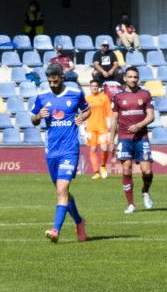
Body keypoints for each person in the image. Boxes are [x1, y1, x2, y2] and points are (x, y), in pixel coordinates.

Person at [31, 63, 90, 243]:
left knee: (62, 189)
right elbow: (33, 119)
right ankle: (79, 221)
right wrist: (38, 116)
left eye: (55, 81)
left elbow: (87, 109)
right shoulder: (42, 96)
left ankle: (56, 230)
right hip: (52, 151)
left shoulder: (75, 94)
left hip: (70, 150)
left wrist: (83, 116)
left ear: (62, 78)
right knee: (62, 191)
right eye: (50, 82)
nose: (53, 85)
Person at [109, 66, 155, 213]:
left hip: (141, 138)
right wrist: (111, 142)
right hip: (124, 138)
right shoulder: (118, 97)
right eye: (130, 77)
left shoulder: (145, 94)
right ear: (125, 78)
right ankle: (131, 204)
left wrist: (139, 125)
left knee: (147, 171)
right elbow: (114, 120)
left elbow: (151, 116)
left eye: (135, 77)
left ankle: (145, 191)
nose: (133, 79)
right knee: (126, 170)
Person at [84, 79, 112, 179]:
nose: (94, 87)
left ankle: (103, 166)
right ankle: (96, 172)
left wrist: (112, 123)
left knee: (104, 148)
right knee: (93, 149)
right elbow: (83, 113)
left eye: (96, 86)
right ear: (90, 87)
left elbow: (109, 111)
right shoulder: (87, 98)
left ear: (98, 87)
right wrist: (83, 126)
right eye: (92, 86)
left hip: (102, 127)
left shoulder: (104, 97)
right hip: (91, 128)